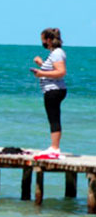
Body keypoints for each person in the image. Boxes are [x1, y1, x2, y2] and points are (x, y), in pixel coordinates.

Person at [31, 28, 67, 159]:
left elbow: (61, 72)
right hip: (53, 90)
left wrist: (41, 74)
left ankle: (55, 148)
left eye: (43, 40)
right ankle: (54, 146)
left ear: (49, 40)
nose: (43, 43)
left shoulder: (57, 53)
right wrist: (41, 64)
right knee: (53, 118)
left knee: (54, 118)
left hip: (54, 90)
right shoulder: (54, 53)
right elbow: (53, 68)